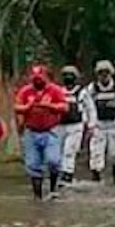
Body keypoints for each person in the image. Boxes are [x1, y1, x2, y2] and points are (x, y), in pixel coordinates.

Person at [13, 65, 69, 201]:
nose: (37, 80)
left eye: (40, 77)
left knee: (53, 160)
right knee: (32, 164)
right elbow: (17, 106)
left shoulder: (55, 90)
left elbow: (65, 107)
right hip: (31, 131)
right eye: (34, 77)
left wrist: (49, 106)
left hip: (51, 130)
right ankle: (37, 196)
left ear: (45, 77)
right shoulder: (25, 91)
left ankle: (53, 189)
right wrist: (27, 107)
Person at [84, 59, 115, 184]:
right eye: (101, 73)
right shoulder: (92, 89)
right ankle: (96, 176)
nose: (104, 76)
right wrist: (90, 124)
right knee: (96, 152)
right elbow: (89, 108)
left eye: (106, 72)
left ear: (111, 73)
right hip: (99, 125)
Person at [53, 65, 86, 193]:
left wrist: (90, 124)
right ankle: (59, 174)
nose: (68, 78)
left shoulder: (82, 92)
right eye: (66, 75)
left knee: (69, 150)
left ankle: (68, 174)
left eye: (71, 75)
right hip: (59, 125)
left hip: (75, 126)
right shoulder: (58, 91)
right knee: (58, 151)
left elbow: (88, 108)